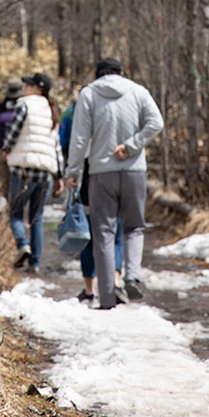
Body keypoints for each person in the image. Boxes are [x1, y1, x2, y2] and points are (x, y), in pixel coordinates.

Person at [64, 57, 164, 309]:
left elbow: (79, 139)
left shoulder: (88, 94)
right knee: (134, 228)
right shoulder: (138, 91)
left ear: (98, 75)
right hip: (134, 171)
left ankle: (107, 299)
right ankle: (131, 276)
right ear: (121, 72)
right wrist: (131, 146)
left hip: (101, 172)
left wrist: (73, 171)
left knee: (104, 233)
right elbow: (156, 123)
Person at [61, 101, 125, 305]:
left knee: (87, 235)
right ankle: (115, 282)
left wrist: (71, 173)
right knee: (115, 231)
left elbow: (69, 143)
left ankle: (90, 289)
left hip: (89, 174)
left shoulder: (74, 111)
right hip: (117, 172)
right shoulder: (121, 107)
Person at [1, 72, 63, 272]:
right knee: (37, 218)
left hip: (23, 169)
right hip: (45, 174)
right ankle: (34, 263)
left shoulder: (23, 105)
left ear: (38, 88)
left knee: (16, 214)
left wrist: (6, 149)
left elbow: (14, 132)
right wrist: (59, 175)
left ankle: (22, 244)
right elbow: (57, 146)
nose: (25, 88)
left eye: (28, 85)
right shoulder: (52, 109)